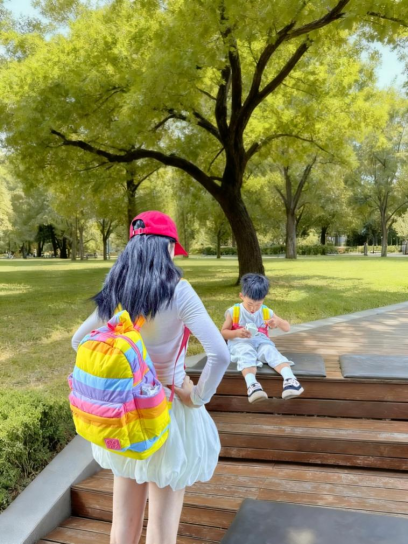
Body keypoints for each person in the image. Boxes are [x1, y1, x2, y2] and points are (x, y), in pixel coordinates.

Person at [71, 211, 230, 544]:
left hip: (126, 415)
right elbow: (220, 353)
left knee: (123, 525)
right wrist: (197, 396)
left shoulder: (117, 289)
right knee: (161, 529)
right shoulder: (179, 291)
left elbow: (79, 341)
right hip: (167, 413)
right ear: (167, 247)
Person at [221, 273, 304, 403]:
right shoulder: (234, 311)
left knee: (270, 351)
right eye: (250, 304)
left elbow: (287, 327)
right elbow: (223, 332)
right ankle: (252, 386)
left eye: (258, 304)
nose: (253, 308)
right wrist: (236, 333)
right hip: (240, 343)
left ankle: (291, 381)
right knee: (246, 352)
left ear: (263, 299)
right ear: (241, 296)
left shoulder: (266, 312)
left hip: (261, 342)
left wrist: (277, 323)